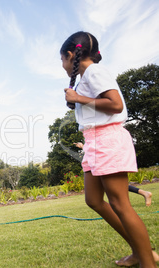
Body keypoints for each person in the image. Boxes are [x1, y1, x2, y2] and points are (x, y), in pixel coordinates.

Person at [61, 31, 158, 267]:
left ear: (71, 55)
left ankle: (149, 262)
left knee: (120, 204)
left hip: (107, 140)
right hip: (94, 142)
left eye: (62, 59)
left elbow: (115, 104)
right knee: (94, 200)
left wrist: (79, 99)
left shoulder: (93, 71)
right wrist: (77, 98)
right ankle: (139, 252)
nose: (62, 65)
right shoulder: (86, 77)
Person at [74, 142, 153, 206]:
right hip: (102, 160)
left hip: (102, 161)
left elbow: (97, 148)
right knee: (109, 185)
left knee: (111, 185)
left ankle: (143, 193)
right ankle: (143, 193)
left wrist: (83, 146)